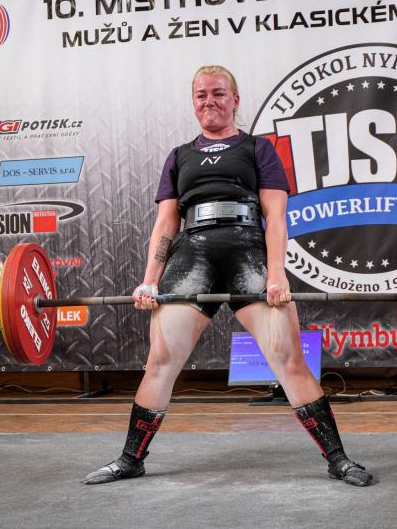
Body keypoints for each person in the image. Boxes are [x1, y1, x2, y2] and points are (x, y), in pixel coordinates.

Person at [82, 65, 372, 487]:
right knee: (160, 360)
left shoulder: (257, 149)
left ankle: (338, 460)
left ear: (235, 100)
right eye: (201, 95)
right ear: (193, 102)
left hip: (246, 250)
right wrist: (149, 280)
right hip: (192, 254)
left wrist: (276, 275)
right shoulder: (179, 156)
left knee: (288, 357)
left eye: (218, 93)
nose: (209, 101)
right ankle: (131, 459)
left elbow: (276, 216)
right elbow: (166, 223)